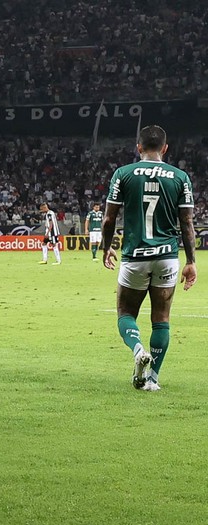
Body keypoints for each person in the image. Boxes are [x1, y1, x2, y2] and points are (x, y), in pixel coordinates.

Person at [101, 125, 197, 392]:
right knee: (161, 317)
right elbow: (187, 222)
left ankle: (138, 348)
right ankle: (152, 378)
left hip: (135, 256)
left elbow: (109, 218)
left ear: (138, 147)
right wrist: (191, 261)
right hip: (167, 256)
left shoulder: (123, 174)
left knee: (126, 312)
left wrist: (107, 247)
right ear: (165, 148)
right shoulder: (180, 177)